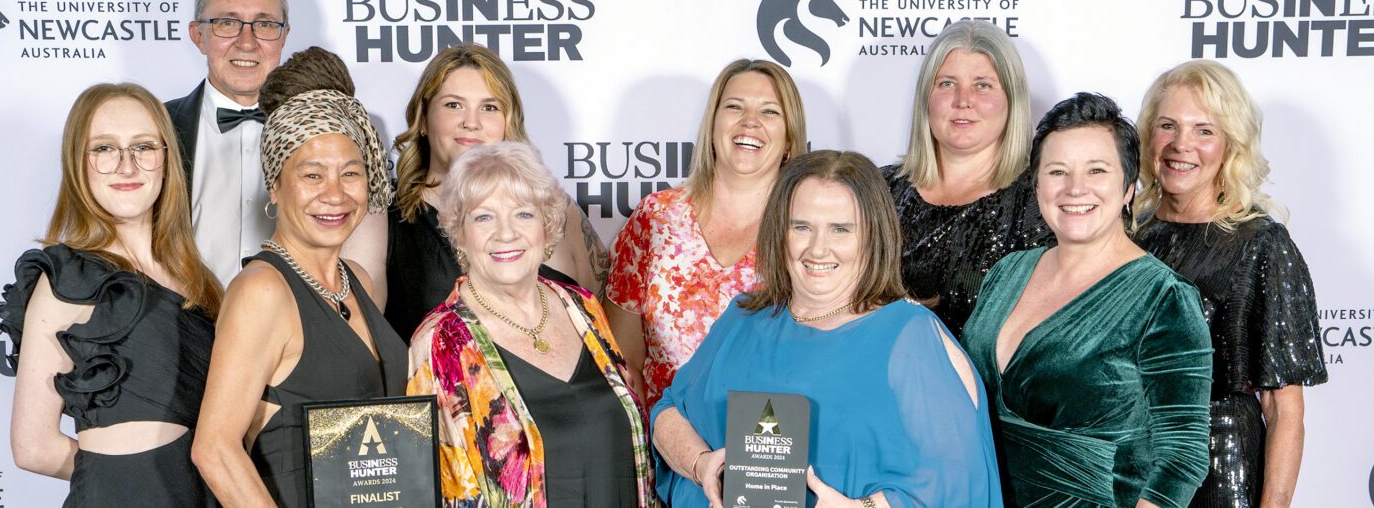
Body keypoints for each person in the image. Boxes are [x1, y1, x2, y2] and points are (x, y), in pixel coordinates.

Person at [653, 150, 1001, 508]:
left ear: (872, 236)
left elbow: (957, 485)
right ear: (779, 232)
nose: (818, 248)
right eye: (801, 226)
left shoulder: (910, 336)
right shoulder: (741, 318)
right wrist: (700, 464)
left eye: (840, 229)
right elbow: (667, 413)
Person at [961, 92, 1213, 507]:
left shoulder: (1163, 297)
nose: (1075, 188)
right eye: (1058, 171)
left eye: (1096, 170)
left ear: (1128, 187)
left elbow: (1181, 457)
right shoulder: (1007, 272)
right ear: (1037, 183)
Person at [191, 47, 405, 507]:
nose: (335, 193)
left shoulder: (358, 282)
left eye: (351, 173)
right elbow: (215, 450)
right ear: (275, 186)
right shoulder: (262, 290)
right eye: (312, 175)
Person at [0, 82, 226, 506]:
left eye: (143, 147)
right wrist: (129, 476)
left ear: (165, 160)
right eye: (104, 149)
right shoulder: (68, 279)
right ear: (78, 163)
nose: (126, 166)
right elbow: (34, 448)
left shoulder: (198, 278)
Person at [404, 141, 653, 507]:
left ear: (546, 224)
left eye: (523, 214)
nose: (506, 234)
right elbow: (437, 490)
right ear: (460, 231)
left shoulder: (582, 307)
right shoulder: (440, 342)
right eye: (484, 217)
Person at [1132, 60, 1327, 507]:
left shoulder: (1261, 244)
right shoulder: (1126, 235)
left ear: (1230, 145)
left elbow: (1283, 408)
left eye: (1204, 130)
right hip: (1127, 469)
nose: (1182, 145)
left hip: (1220, 470)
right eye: (1168, 126)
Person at [344, 43, 608, 340]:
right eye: (453, 105)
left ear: (509, 122)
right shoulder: (382, 213)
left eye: (489, 107)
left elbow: (603, 327)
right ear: (423, 119)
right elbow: (357, 335)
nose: (471, 122)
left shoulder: (558, 209)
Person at [605, 59, 808, 413]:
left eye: (769, 111)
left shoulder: (807, 228)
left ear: (790, 139)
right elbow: (623, 362)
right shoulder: (655, 218)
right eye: (734, 106)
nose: (750, 121)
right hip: (663, 450)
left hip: (769, 448)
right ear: (712, 125)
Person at [885, 20, 1054, 337]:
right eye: (947, 84)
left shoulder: (1040, 201)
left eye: (982, 85)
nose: (963, 100)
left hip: (989, 385)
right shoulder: (879, 190)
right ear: (926, 97)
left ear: (1011, 99)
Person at [164, 0, 296, 284]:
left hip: (295, 329)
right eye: (227, 22)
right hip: (179, 327)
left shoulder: (325, 130)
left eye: (264, 24)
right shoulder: (156, 127)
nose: (247, 42)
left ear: (284, 35)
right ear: (198, 35)